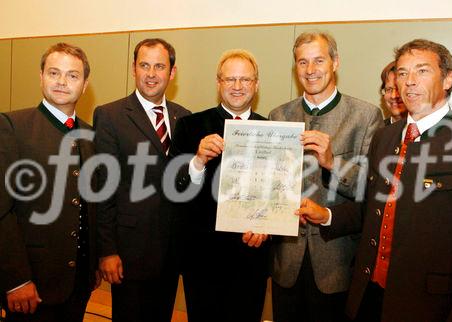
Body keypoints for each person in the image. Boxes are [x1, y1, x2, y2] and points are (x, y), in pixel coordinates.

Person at [297, 39, 452, 322]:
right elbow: (373, 208)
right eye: (402, 73)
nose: (410, 82)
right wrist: (327, 215)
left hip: (430, 307)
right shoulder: (386, 137)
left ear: (449, 79)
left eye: (422, 71)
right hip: (368, 298)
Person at [268, 31, 383, 321]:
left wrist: (333, 163)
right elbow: (269, 184)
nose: (310, 70)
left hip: (338, 263)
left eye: (319, 60)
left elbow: (373, 189)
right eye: (302, 62)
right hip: (286, 263)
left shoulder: (366, 115)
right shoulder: (278, 116)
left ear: (335, 63)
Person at [0, 42, 99, 321]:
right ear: (41, 76)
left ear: (85, 84)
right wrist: (15, 280)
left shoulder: (91, 136)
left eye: (72, 75)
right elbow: (2, 211)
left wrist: (92, 265)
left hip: (78, 284)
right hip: (31, 286)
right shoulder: (12, 127)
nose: (62, 82)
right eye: (54, 73)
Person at [93, 38, 190, 322]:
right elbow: (103, 187)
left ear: (172, 73)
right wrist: (107, 251)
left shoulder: (184, 117)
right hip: (128, 252)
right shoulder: (110, 116)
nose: (151, 74)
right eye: (144, 65)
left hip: (170, 252)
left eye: (159, 66)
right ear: (134, 69)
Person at [169, 49, 269, 322]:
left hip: (252, 259)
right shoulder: (190, 126)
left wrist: (267, 227)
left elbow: (277, 196)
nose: (238, 87)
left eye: (245, 80)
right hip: (203, 260)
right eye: (230, 79)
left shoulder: (273, 131)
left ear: (256, 85)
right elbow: (174, 190)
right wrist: (198, 160)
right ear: (218, 84)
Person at [380, 61, 407, 125]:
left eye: (398, 89)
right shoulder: (376, 130)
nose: (393, 96)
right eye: (389, 89)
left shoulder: (430, 131)